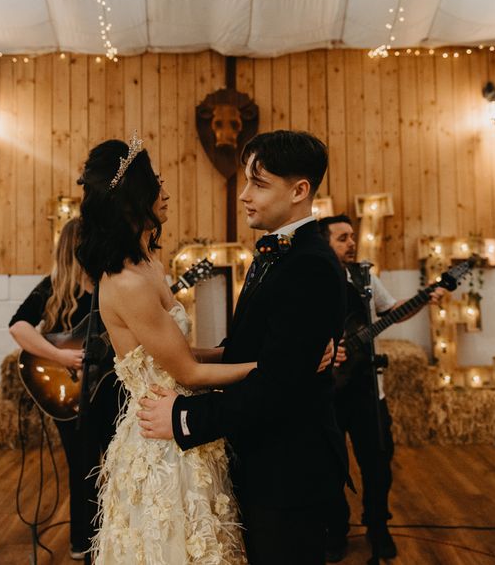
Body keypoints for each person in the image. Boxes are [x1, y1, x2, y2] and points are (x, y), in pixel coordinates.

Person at [139, 130, 349, 565]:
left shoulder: (310, 265)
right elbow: (258, 349)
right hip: (260, 457)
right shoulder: (275, 252)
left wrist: (185, 418)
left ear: (299, 190)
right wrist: (192, 356)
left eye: (259, 183)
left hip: (289, 470)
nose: (244, 196)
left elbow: (280, 386)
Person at [76, 136, 259, 564]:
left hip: (186, 426)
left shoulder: (151, 265)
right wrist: (270, 366)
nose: (166, 192)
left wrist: (227, 352)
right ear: (132, 198)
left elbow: (179, 353)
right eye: (156, 183)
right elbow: (189, 374)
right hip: (163, 445)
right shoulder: (128, 282)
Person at [318, 214, 442, 563]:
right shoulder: (313, 280)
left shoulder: (365, 277)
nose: (351, 243)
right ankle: (336, 529)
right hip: (326, 392)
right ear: (324, 242)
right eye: (342, 238)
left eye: (352, 236)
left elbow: (390, 311)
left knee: (377, 464)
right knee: (329, 467)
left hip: (368, 391)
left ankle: (377, 526)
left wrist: (424, 298)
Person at [9, 218, 122, 562]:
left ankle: (118, 538)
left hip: (110, 389)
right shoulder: (53, 288)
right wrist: (59, 355)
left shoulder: (112, 286)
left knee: (119, 464)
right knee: (83, 467)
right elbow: (18, 327)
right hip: (69, 394)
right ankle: (82, 542)